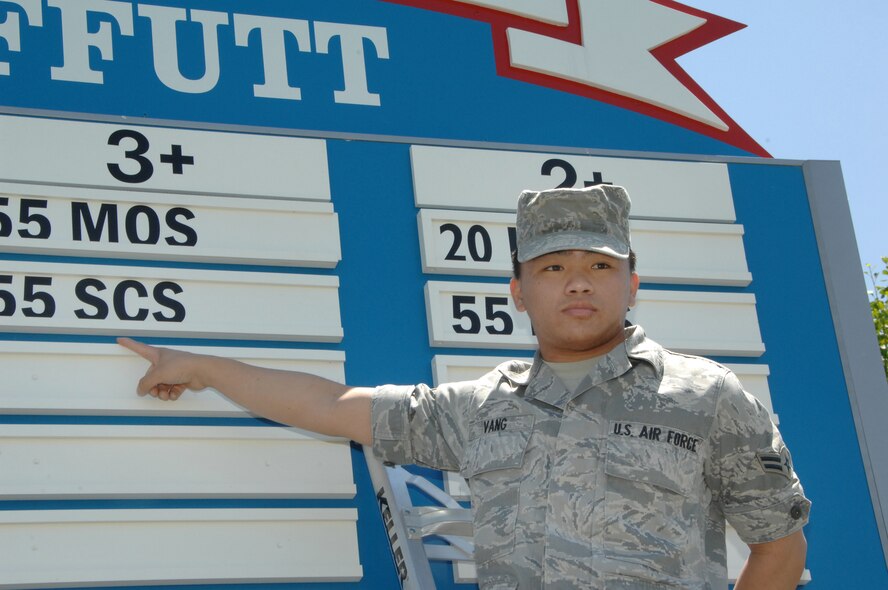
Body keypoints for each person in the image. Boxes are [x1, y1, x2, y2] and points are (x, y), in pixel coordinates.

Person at [120, 184, 809, 589]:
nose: (577, 281)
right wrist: (202, 368)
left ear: (632, 284)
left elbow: (778, 544)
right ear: (518, 291)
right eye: (553, 267)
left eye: (600, 265)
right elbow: (331, 405)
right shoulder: (482, 408)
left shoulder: (707, 396)